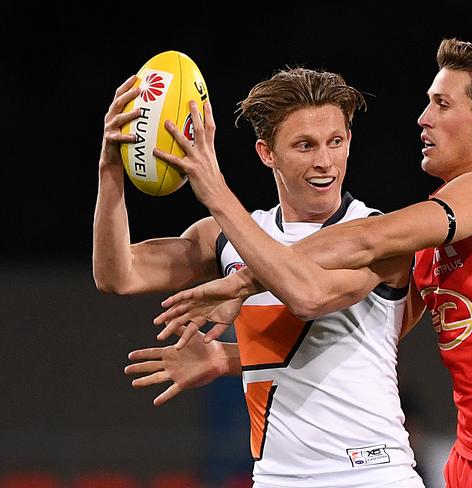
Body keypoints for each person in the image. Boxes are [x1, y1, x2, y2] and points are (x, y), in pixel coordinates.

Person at [150, 38, 472, 487]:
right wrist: (228, 358)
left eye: (441, 104)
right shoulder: (450, 234)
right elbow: (361, 338)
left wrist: (242, 279)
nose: (422, 118)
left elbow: (368, 238)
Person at [95, 67, 425, 488]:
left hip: (373, 474)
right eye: (305, 145)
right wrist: (110, 169)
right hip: (275, 479)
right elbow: (117, 274)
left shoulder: (375, 234)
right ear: (267, 153)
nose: (324, 160)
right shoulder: (230, 237)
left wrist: (214, 189)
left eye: (335, 142)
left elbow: (307, 294)